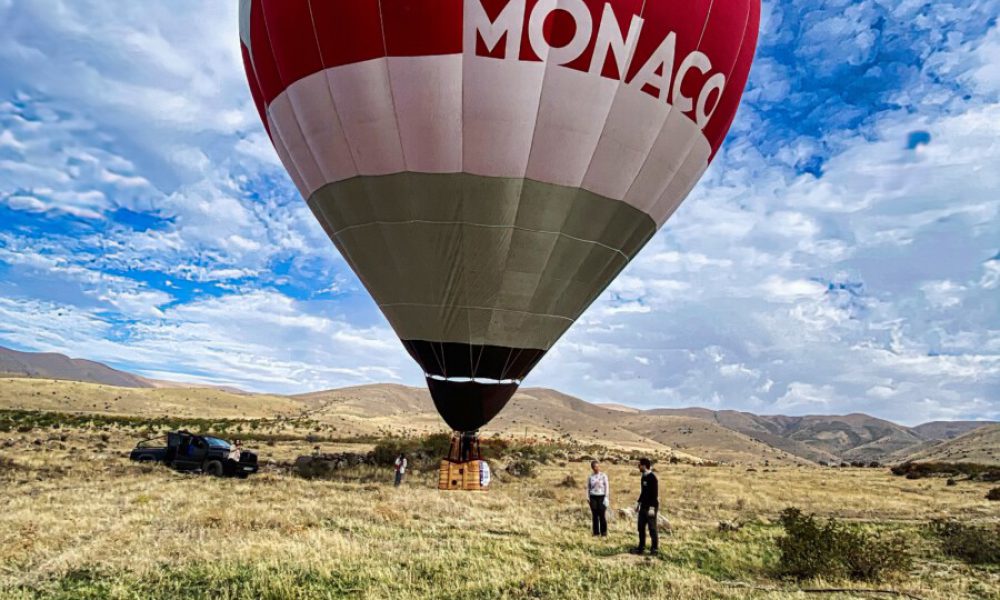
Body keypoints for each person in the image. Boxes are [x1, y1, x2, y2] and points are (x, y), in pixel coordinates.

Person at [630, 457, 659, 555]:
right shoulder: (643, 477)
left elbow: (654, 495)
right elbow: (643, 492)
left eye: (639, 465)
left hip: (651, 507)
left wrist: (652, 508)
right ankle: (641, 547)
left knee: (652, 528)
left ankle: (654, 549)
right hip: (643, 506)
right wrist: (638, 503)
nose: (638, 467)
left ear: (644, 466)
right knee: (641, 527)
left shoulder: (652, 478)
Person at [586, 460, 610, 537]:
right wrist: (587, 497)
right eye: (595, 467)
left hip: (601, 496)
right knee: (595, 515)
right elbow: (588, 487)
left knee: (602, 514)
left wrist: (606, 496)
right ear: (592, 468)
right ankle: (596, 532)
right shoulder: (590, 477)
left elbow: (607, 486)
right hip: (593, 497)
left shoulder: (603, 475)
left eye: (598, 466)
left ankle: (604, 533)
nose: (597, 468)